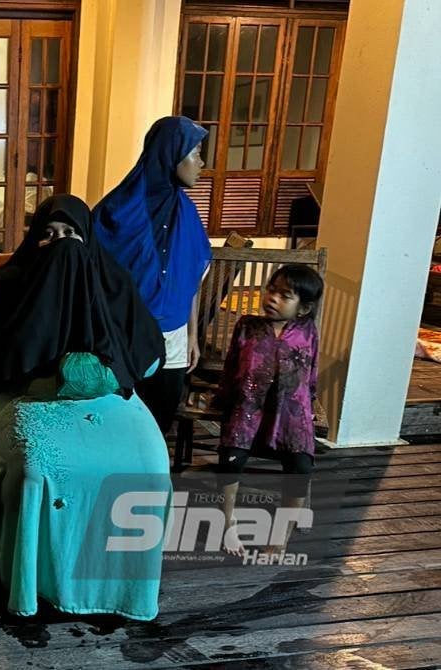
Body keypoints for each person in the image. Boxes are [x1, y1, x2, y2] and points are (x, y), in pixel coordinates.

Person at [0, 194, 169, 619]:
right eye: (48, 236)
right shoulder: (14, 283)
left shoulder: (111, 281)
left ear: (89, 239)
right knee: (35, 471)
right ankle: (36, 581)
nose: (61, 245)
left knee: (149, 467)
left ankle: (122, 589)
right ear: (33, 241)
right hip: (30, 396)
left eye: (70, 235)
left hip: (108, 398)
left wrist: (98, 372)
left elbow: (146, 352)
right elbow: (6, 366)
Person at [91, 116, 212, 436]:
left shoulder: (186, 213)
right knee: (120, 422)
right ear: (169, 154)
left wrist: (192, 335)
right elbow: (91, 275)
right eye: (195, 152)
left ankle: (146, 484)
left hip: (173, 336)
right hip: (123, 336)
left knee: (160, 419)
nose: (202, 163)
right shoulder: (117, 210)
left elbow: (192, 279)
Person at [213, 264, 323, 556]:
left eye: (284, 295)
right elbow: (231, 367)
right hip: (247, 409)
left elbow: (311, 373)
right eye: (271, 290)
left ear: (303, 308)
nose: (272, 298)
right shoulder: (248, 326)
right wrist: (222, 400)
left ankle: (281, 535)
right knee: (230, 461)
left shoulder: (308, 331)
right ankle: (228, 525)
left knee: (300, 467)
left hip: (291, 414)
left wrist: (311, 405)